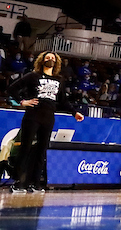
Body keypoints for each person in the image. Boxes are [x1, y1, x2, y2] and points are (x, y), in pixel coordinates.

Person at [7, 52, 83, 192]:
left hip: (48, 117)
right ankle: (18, 182)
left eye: (53, 58)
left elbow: (63, 101)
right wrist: (23, 101)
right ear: (42, 61)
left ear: (57, 62)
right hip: (32, 116)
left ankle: (35, 183)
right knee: (26, 148)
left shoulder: (59, 79)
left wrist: (74, 112)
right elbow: (12, 89)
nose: (50, 60)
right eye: (47, 57)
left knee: (41, 150)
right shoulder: (32, 75)